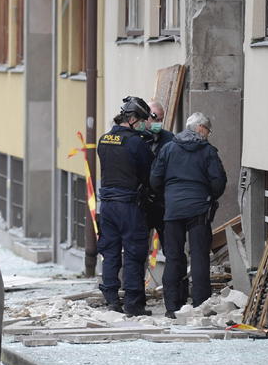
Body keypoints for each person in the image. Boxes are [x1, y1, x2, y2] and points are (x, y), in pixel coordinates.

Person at [149, 112, 227, 318]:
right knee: (200, 256)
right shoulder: (207, 151)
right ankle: (201, 305)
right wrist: (208, 196)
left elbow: (155, 179)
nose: (208, 135)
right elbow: (219, 181)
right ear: (200, 128)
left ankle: (172, 307)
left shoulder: (168, 148)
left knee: (173, 256)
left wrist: (168, 196)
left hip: (173, 210)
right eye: (208, 130)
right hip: (199, 210)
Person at [96, 96, 155, 316]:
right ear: (131, 119)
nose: (143, 124)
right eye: (141, 120)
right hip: (129, 206)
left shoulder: (104, 139)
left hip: (108, 206)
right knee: (133, 253)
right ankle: (133, 304)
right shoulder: (136, 142)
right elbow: (148, 173)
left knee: (110, 253)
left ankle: (111, 301)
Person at [137, 100, 175, 239]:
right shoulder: (136, 138)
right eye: (155, 118)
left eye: (161, 119)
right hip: (141, 201)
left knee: (170, 244)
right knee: (139, 247)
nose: (158, 123)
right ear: (146, 117)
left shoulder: (169, 139)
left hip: (161, 201)